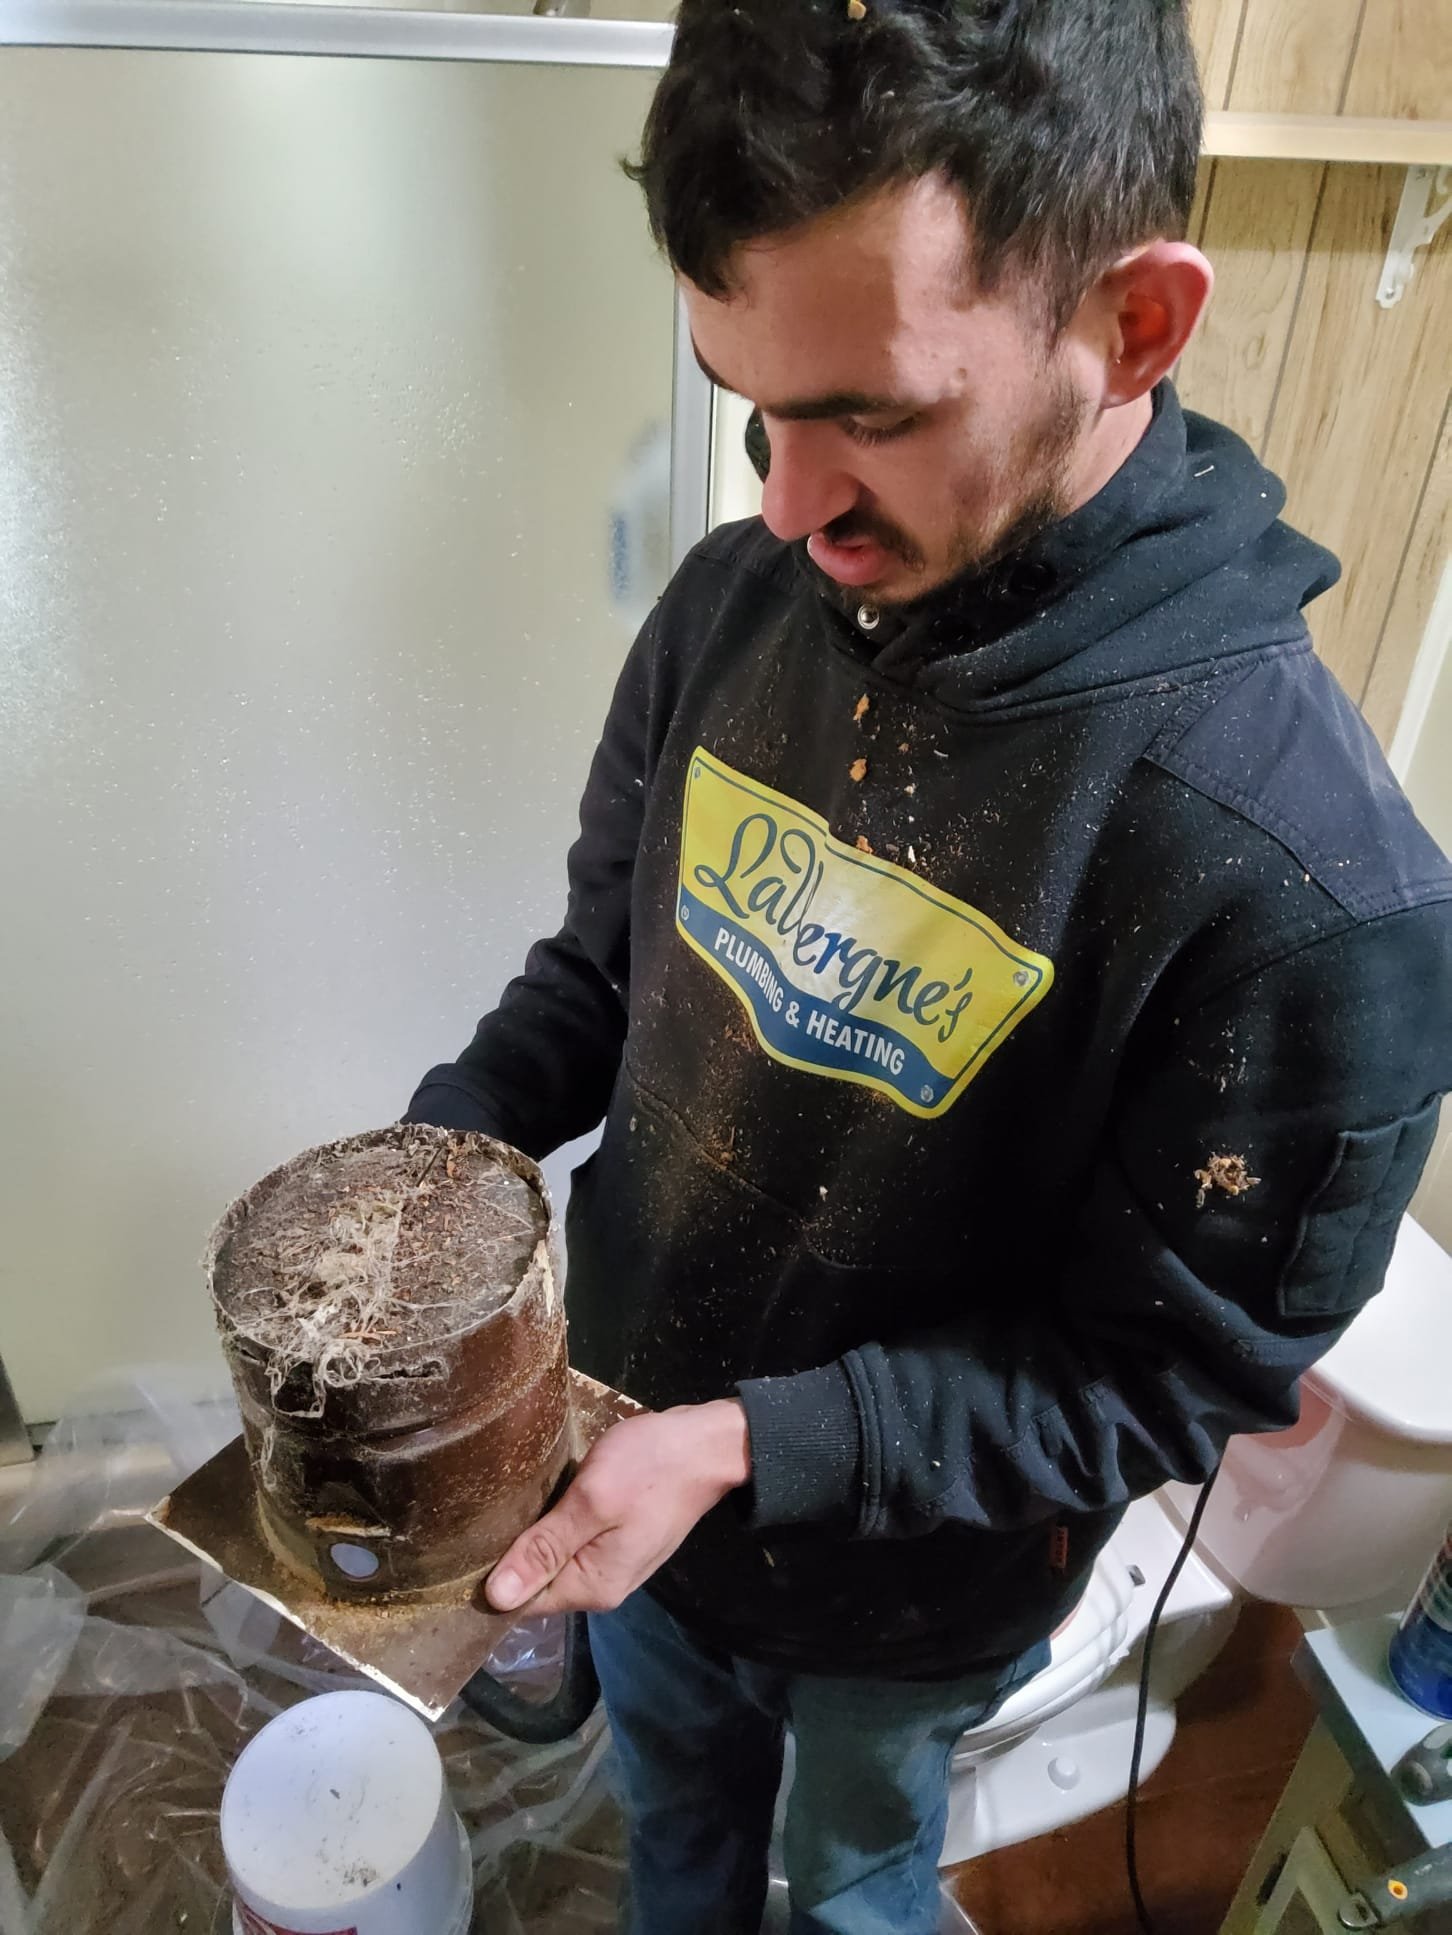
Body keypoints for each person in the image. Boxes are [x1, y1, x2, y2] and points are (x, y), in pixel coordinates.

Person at [406, 3, 1452, 1929]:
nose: (789, 506)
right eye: (752, 404)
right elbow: (602, 975)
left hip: (914, 1585)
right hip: (628, 1467)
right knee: (681, 1833)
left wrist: (749, 1450)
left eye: (873, 414)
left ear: (1134, 323)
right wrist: (442, 1163)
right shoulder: (739, 606)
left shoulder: (1303, 888)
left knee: (852, 1874)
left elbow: (1156, 1384)